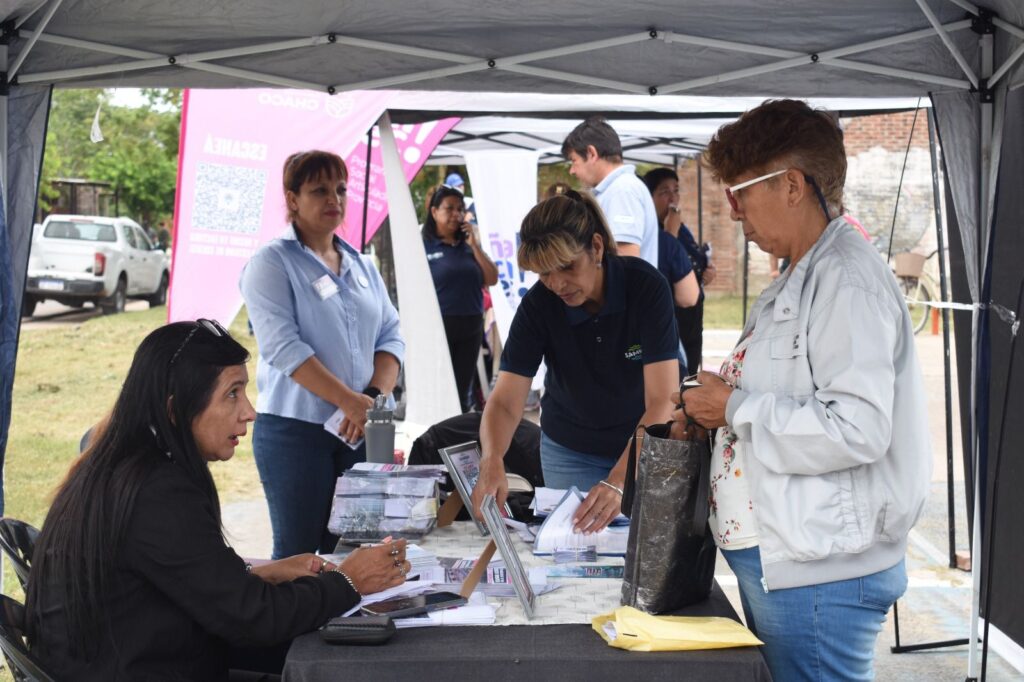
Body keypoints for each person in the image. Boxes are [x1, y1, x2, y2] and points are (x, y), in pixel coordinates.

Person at [676, 99, 931, 680]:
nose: (734, 213)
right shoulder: (808, 270)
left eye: (740, 193)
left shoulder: (844, 279)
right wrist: (720, 401)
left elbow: (856, 428)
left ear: (792, 185)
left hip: (820, 571)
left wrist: (733, 407)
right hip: (798, 560)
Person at [25, 321, 410, 680]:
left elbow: (176, 579)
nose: (250, 412)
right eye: (231, 394)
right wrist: (349, 580)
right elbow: (254, 619)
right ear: (175, 409)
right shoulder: (156, 490)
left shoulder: (124, 465)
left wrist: (261, 574)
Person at [470, 190, 679, 534]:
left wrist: (618, 480)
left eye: (567, 267)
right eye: (544, 273)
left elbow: (662, 401)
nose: (557, 284)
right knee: (572, 549)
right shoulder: (539, 305)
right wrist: (491, 460)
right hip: (570, 449)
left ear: (596, 247)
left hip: (643, 443)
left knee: (643, 550)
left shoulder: (646, 288)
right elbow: (505, 401)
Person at [240, 150, 404, 559]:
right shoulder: (271, 263)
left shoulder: (362, 265)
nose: (334, 199)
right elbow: (283, 348)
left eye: (341, 189)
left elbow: (391, 336)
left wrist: (370, 400)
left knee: (358, 550)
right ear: (292, 199)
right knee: (299, 554)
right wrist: (349, 401)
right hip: (297, 433)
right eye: (319, 190)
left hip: (364, 429)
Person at [422, 185, 499, 412]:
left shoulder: (468, 246)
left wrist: (474, 246)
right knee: (440, 389)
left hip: (471, 324)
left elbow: (492, 278)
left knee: (462, 389)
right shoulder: (423, 245)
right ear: (434, 211)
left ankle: (458, 429)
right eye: (449, 208)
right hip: (439, 325)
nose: (456, 214)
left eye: (460, 209)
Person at [643, 167, 716, 375]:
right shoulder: (652, 233)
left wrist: (706, 274)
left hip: (692, 319)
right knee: (678, 377)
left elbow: (690, 264)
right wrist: (670, 233)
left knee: (691, 373)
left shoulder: (681, 228)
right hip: (672, 320)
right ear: (649, 198)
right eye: (664, 192)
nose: (672, 198)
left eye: (676, 190)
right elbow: (660, 270)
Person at [562, 117, 659, 267]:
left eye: (574, 161)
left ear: (591, 153)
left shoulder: (622, 190)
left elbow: (625, 261)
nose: (572, 171)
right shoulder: (618, 188)